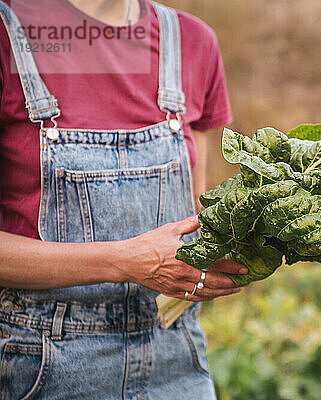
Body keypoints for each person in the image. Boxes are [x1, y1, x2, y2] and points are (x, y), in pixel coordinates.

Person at [0, 0, 247, 398]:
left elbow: (200, 217)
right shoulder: (8, 34)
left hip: (176, 360)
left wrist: (262, 237)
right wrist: (126, 262)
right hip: (45, 364)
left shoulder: (192, 41)